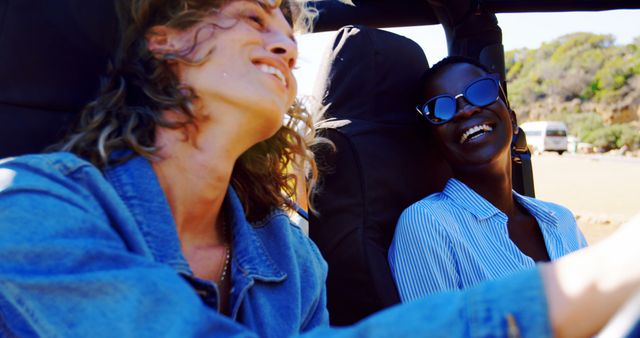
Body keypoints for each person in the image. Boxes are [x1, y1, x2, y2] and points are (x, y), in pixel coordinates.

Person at [0, 1, 639, 337]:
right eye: (254, 16)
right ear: (161, 40)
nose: (284, 40)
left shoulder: (289, 255)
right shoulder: (30, 205)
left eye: (286, 20)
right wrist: (598, 281)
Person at [388, 56, 588, 301]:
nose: (467, 110)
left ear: (513, 121)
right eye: (442, 108)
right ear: (433, 143)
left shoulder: (561, 220)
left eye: (481, 91)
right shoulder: (427, 224)